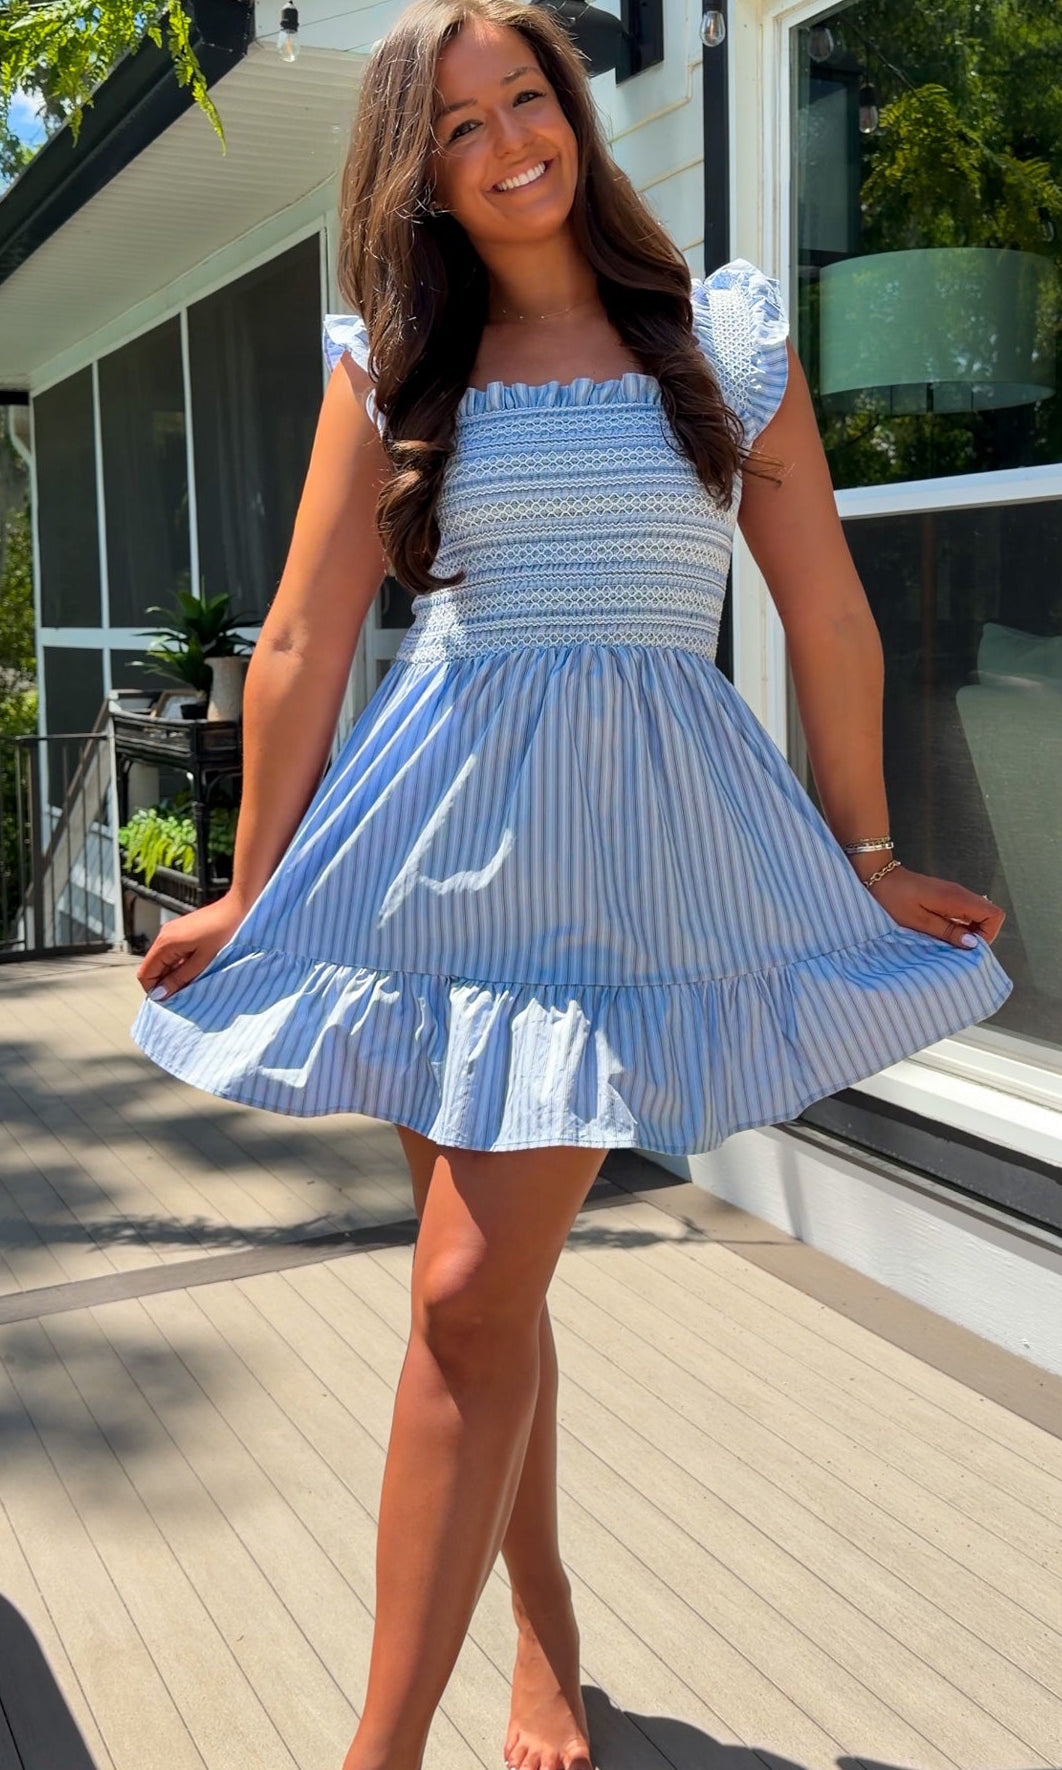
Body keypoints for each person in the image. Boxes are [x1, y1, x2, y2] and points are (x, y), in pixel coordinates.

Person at [130, 0, 1012, 1763]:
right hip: (425, 852)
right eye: (457, 127)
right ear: (420, 173)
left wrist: (870, 852)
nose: (506, 142)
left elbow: (826, 611)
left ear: (571, 113)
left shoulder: (721, 340)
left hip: (627, 854)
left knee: (465, 1295)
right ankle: (542, 1636)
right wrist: (252, 888)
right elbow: (305, 635)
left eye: (524, 99)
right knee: (477, 1299)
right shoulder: (393, 358)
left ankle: (374, 1748)